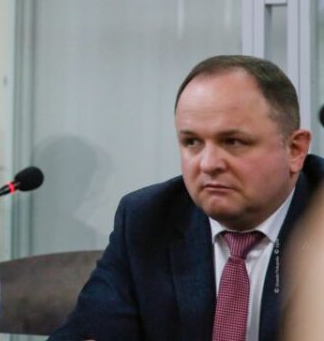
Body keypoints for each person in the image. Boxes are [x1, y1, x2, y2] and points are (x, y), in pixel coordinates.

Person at [50, 55, 323, 341]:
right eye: (192, 142)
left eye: (233, 142)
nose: (208, 163)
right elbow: (87, 333)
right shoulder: (148, 219)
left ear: (295, 150)